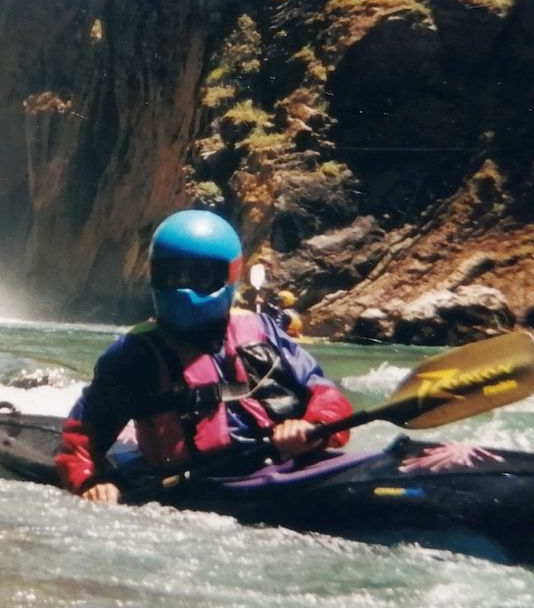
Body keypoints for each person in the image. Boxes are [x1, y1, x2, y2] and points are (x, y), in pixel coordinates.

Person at [57, 210, 354, 503]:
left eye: (200, 275)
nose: (184, 286)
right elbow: (80, 440)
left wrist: (313, 426)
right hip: (200, 484)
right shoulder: (133, 354)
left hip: (289, 466)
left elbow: (324, 392)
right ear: (154, 274)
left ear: (228, 276)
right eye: (172, 274)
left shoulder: (264, 331)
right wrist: (91, 480)